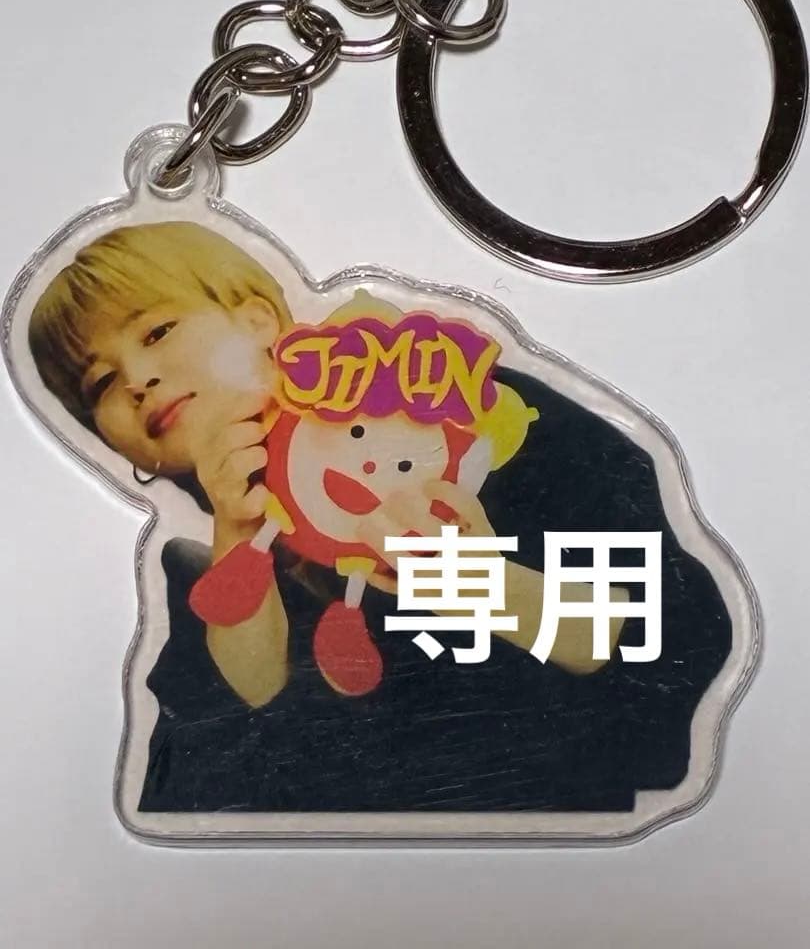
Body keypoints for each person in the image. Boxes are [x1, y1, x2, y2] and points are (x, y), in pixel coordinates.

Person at [28, 219, 732, 814]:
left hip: (564, 826)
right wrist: (237, 532)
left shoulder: (477, 416)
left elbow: (672, 639)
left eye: (156, 332)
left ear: (259, 320)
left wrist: (474, 583)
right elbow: (227, 740)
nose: (137, 379)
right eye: (101, 383)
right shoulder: (188, 571)